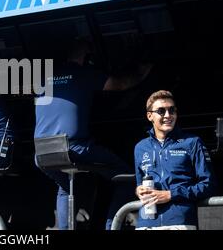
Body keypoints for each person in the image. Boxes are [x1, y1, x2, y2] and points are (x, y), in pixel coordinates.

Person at [34, 38, 152, 230]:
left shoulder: (45, 78)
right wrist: (141, 72)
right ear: (88, 58)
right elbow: (120, 84)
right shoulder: (83, 74)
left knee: (65, 187)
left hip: (41, 152)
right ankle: (111, 226)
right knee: (126, 176)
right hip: (73, 147)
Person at [134, 90, 216, 230]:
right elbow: (139, 183)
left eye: (172, 110)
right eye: (161, 111)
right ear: (150, 116)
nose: (168, 115)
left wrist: (171, 194)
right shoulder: (140, 147)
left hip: (180, 221)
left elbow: (208, 185)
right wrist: (138, 190)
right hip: (146, 223)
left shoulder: (192, 142)